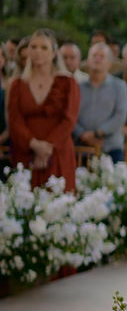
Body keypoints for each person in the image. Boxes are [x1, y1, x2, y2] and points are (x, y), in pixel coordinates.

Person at [6, 29, 80, 191]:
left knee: (58, 199)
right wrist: (34, 144)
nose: (38, 51)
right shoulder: (17, 84)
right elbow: (14, 120)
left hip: (58, 152)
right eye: (33, 47)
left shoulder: (68, 82)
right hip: (26, 152)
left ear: (54, 53)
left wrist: (47, 147)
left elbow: (69, 119)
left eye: (44, 47)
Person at [74, 42, 127, 165]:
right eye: (94, 55)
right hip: (81, 147)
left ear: (109, 63)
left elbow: (120, 115)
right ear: (88, 61)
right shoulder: (78, 88)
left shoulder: (119, 86)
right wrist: (82, 134)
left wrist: (98, 133)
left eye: (102, 56)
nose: (97, 59)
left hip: (111, 148)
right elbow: (71, 115)